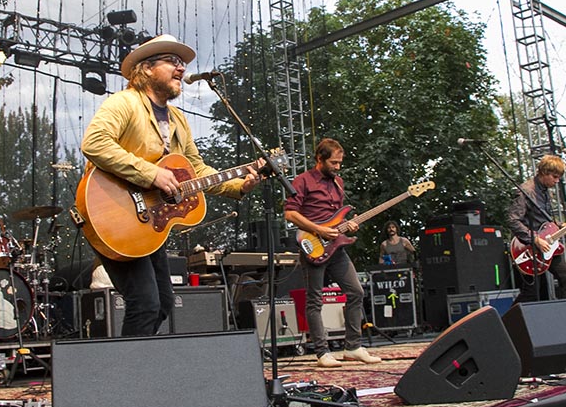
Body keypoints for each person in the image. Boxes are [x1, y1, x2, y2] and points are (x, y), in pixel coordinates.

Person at [80, 34, 262, 336]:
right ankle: (130, 380)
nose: (181, 68)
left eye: (182, 63)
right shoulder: (124, 103)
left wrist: (239, 185)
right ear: (147, 68)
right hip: (116, 215)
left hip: (149, 224)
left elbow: (196, 169)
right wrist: (151, 175)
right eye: (173, 61)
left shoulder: (177, 118)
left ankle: (142, 370)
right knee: (145, 303)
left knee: (164, 303)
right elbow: (95, 143)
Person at [284, 138, 381, 368]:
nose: (337, 167)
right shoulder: (302, 180)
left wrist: (349, 225)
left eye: (339, 163)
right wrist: (318, 230)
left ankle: (353, 347)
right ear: (320, 158)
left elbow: (336, 216)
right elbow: (290, 214)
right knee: (314, 299)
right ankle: (322, 352)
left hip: (337, 247)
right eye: (334, 163)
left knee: (356, 292)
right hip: (313, 244)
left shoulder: (338, 183)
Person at [506, 154, 566, 303]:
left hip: (547, 246)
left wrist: (565, 226)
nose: (557, 181)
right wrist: (535, 239)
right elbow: (512, 220)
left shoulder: (544, 191)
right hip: (528, 248)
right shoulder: (526, 191)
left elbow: (545, 221)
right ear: (544, 172)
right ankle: (507, 323)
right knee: (533, 292)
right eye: (555, 177)